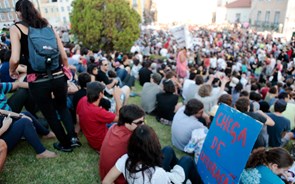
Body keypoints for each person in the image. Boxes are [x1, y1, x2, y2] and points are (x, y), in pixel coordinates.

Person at [9, 0, 76, 152]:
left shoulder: (16, 28)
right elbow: (63, 55)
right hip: (58, 75)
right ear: (33, 9)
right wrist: (66, 71)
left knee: (50, 113)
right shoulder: (48, 26)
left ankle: (65, 144)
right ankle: (73, 138)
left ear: (18, 12)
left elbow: (14, 59)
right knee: (62, 107)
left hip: (37, 79)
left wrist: (12, 70)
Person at [102, 125, 202, 184]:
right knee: (187, 160)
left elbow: (106, 182)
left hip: (149, 173)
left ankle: (180, 171)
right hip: (161, 178)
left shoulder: (125, 159)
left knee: (168, 150)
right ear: (154, 144)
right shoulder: (157, 173)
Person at [100, 104, 145, 184]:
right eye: (139, 122)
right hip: (119, 179)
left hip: (106, 174)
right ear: (127, 123)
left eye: (144, 120)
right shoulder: (131, 139)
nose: (143, 124)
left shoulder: (113, 127)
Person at [76, 81, 122, 152]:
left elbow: (78, 118)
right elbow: (120, 119)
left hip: (93, 141)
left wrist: (77, 132)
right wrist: (117, 98)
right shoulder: (98, 112)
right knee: (126, 124)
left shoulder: (82, 100)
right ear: (100, 94)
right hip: (103, 144)